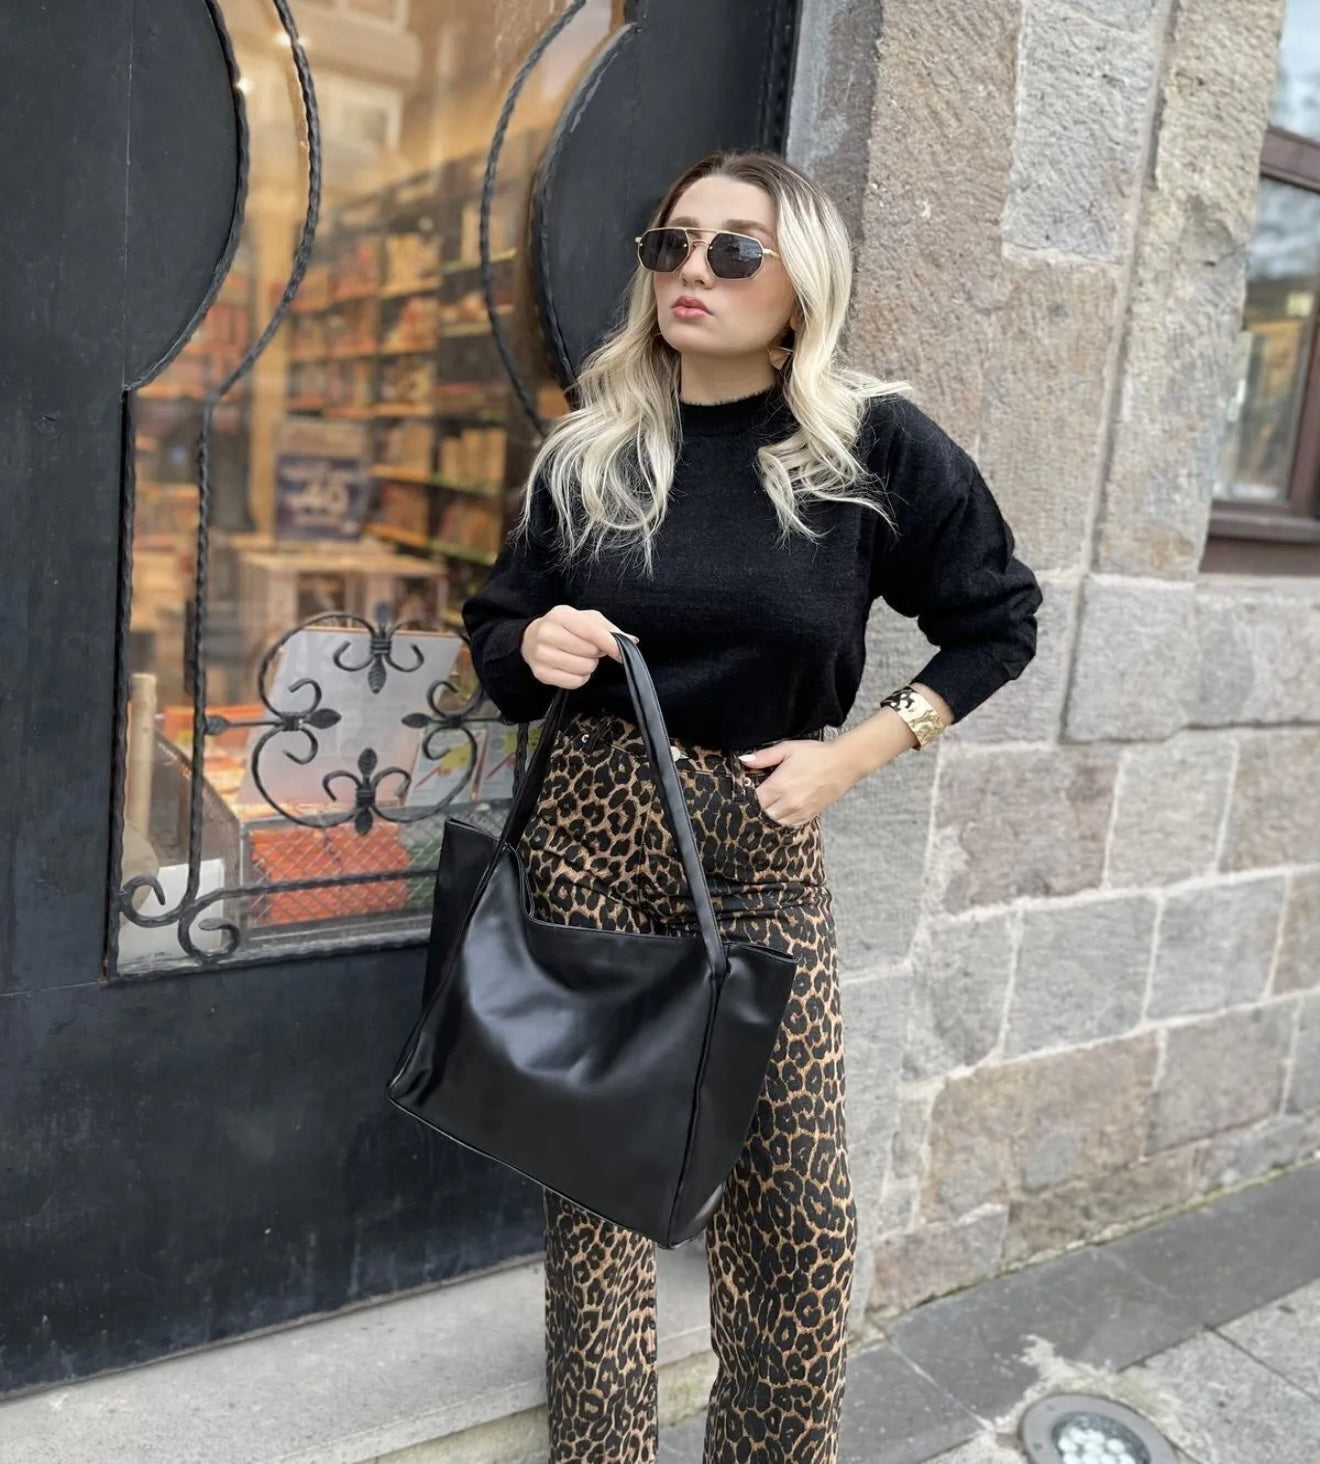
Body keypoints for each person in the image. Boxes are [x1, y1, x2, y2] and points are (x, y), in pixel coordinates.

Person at [462, 150, 1043, 1464]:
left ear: (803, 284)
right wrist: (531, 644)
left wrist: (860, 754)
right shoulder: (593, 449)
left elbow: (998, 622)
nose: (693, 271)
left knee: (801, 1215)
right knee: (600, 1205)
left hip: (762, 845)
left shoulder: (871, 445)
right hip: (591, 835)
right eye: (671, 243)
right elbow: (498, 636)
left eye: (735, 249)